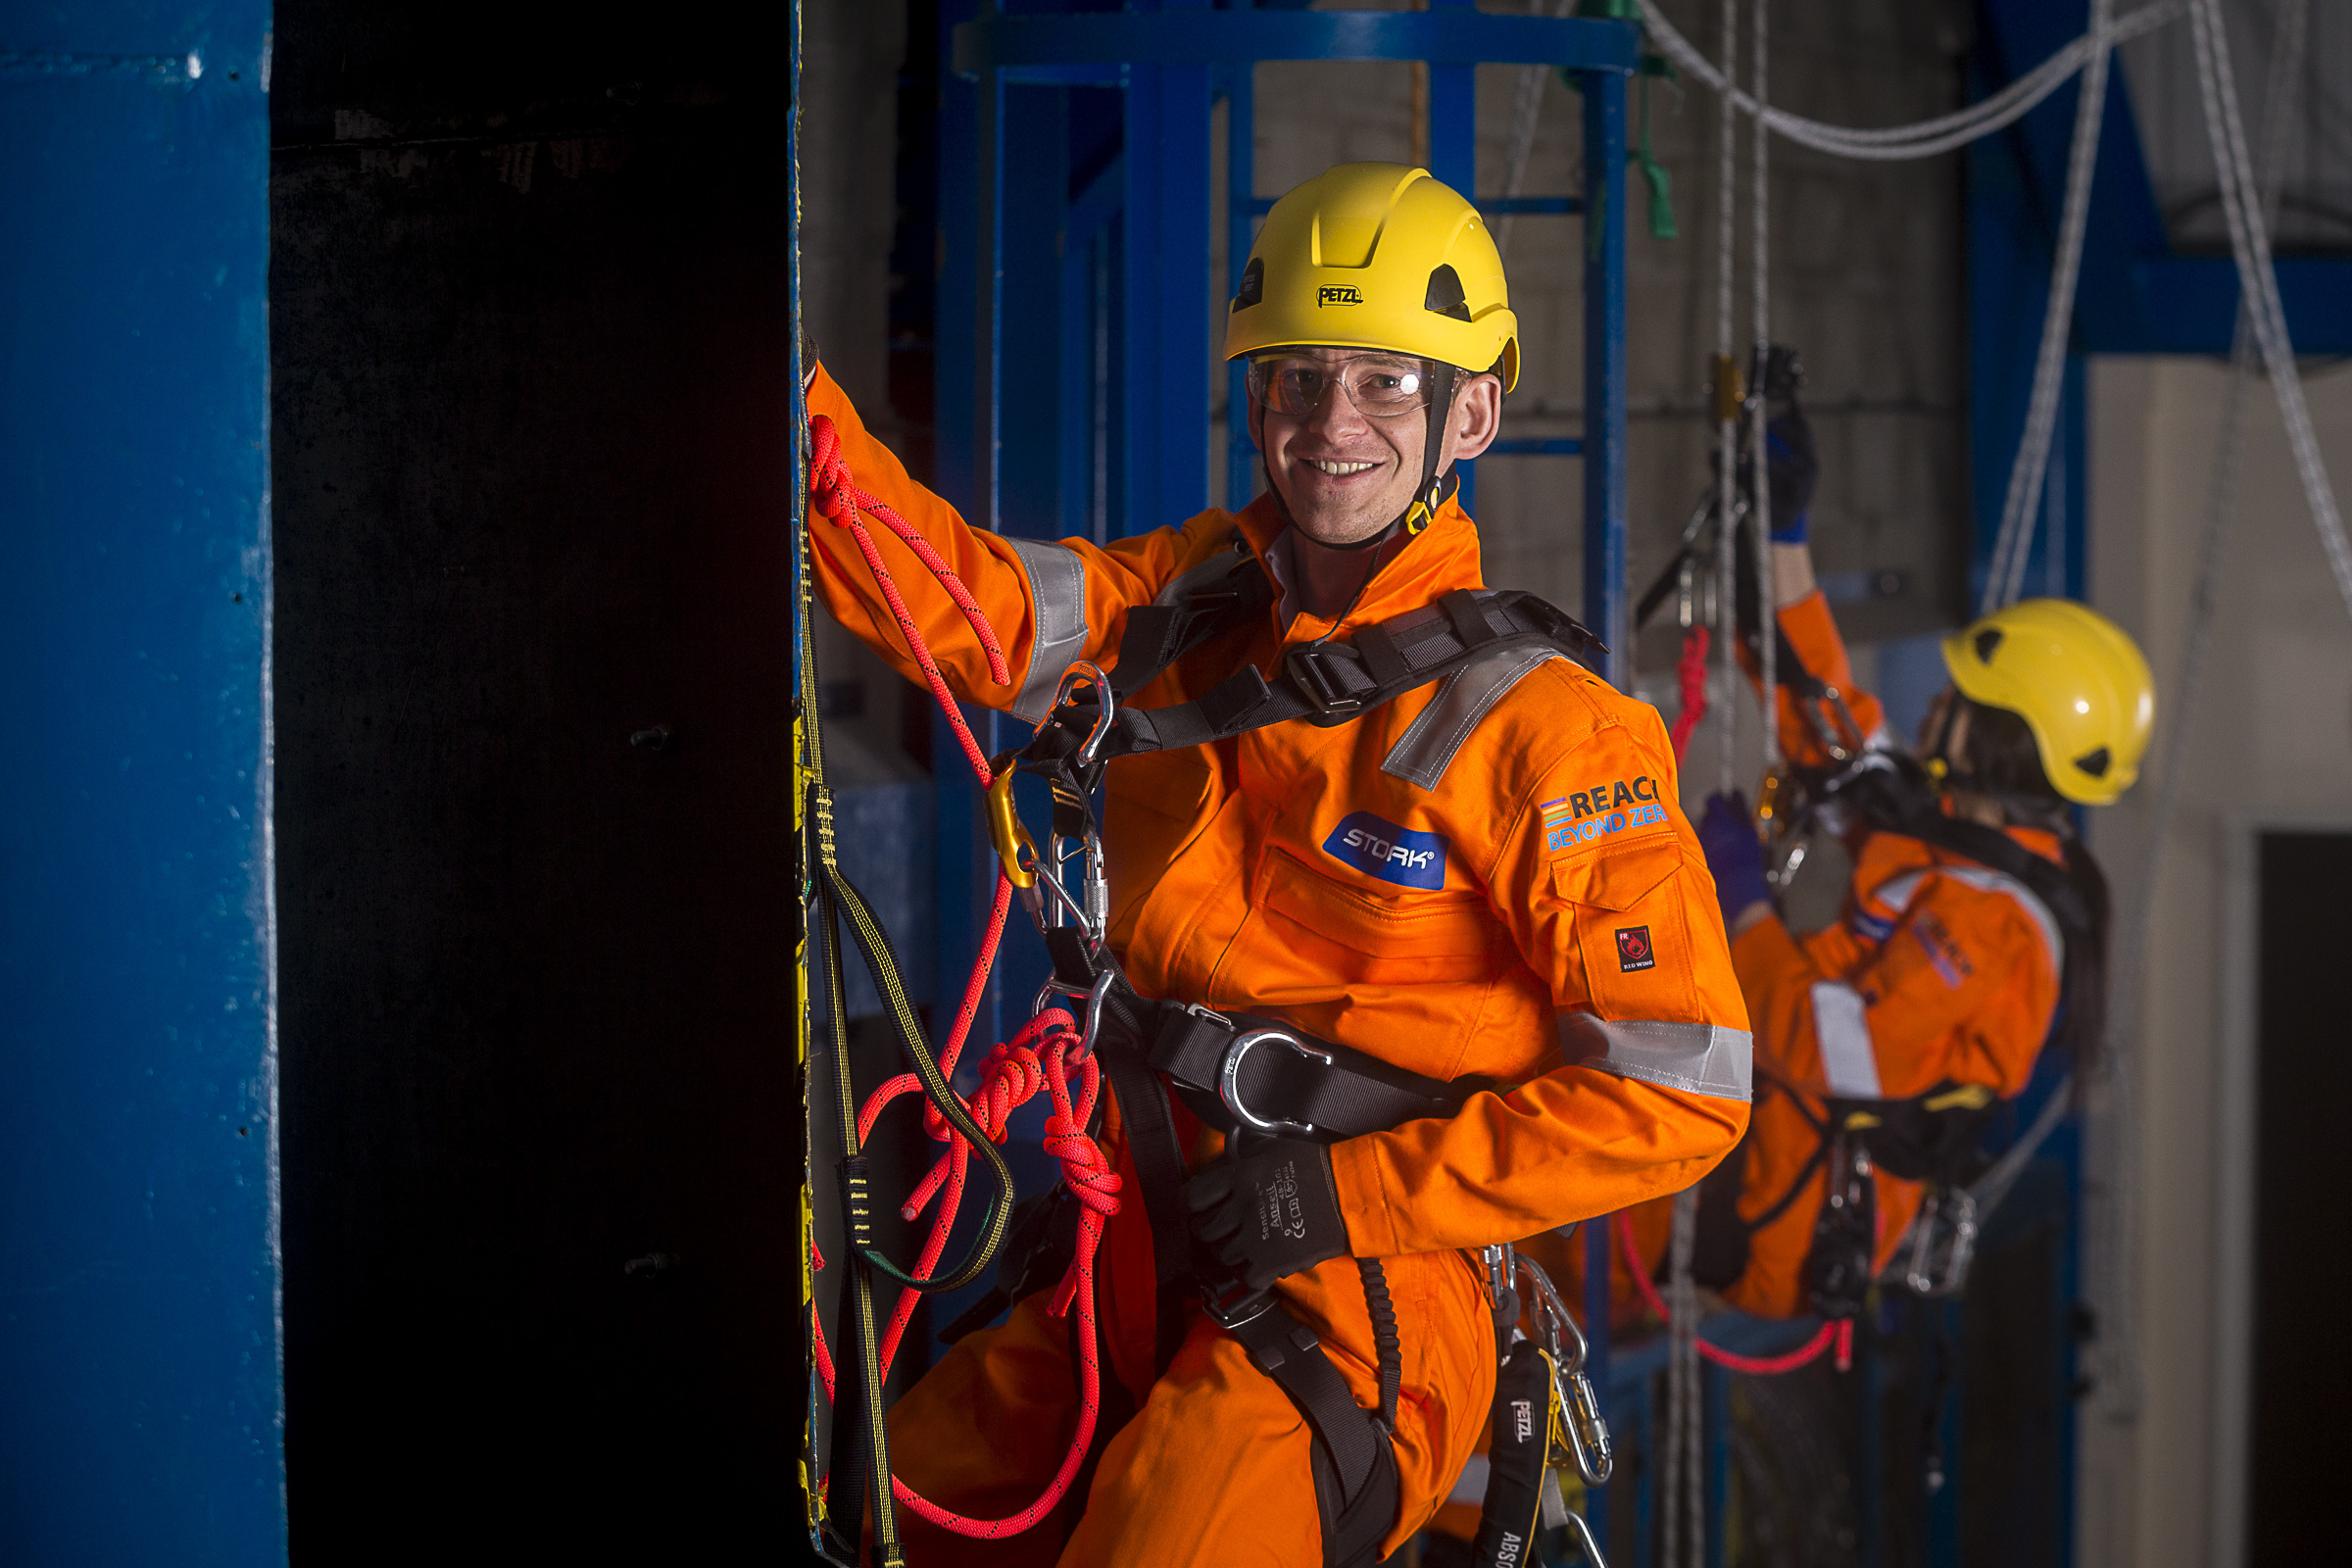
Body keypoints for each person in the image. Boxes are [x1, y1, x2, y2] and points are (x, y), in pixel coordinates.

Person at [806, 162, 1752, 1567]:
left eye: (1383, 382)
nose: (1329, 426)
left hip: (1364, 1295)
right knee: (880, 1518)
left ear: (1468, 413)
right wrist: (799, 415)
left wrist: (1344, 1200)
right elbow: (981, 615)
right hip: (1134, 1229)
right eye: (1299, 379)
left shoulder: (1551, 729)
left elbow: (1680, 1095)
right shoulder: (1195, 596)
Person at [1611, 491, 2152, 1323]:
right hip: (1729, 1142)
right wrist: (1784, 538)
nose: (1936, 701)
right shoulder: (1955, 840)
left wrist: (1744, 902)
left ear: (2003, 742)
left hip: (1756, 1203)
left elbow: (1831, 1049)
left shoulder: (1994, 924)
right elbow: (1832, 730)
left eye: (1962, 700)